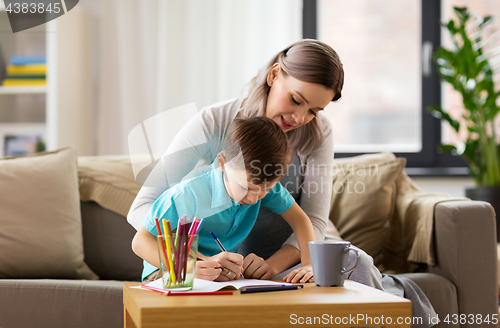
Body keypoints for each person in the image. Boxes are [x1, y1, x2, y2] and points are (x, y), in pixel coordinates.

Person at [131, 117, 316, 283]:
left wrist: (308, 265)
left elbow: (300, 219)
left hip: (218, 276)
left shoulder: (263, 184)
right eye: (245, 188)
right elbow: (140, 242)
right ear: (222, 163)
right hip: (169, 272)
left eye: (263, 191)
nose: (252, 198)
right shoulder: (188, 193)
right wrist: (191, 266)